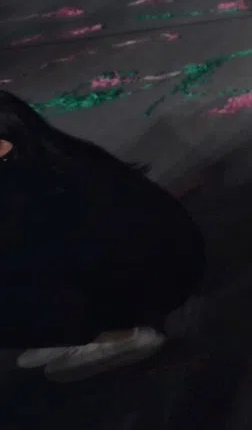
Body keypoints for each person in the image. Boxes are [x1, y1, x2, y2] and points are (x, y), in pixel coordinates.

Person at [0, 91, 205, 382]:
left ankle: (119, 336)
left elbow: (43, 258)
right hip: (150, 263)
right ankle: (73, 332)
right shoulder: (47, 154)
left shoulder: (36, 188)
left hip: (149, 284)